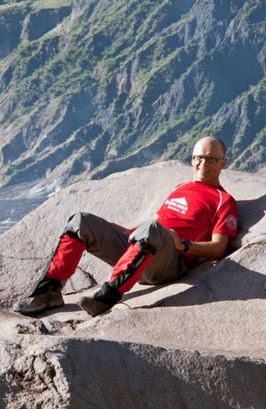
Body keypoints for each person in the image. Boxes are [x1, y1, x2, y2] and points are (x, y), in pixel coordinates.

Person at [13, 136, 238, 317]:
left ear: (223, 163)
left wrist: (184, 245)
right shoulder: (181, 187)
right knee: (80, 221)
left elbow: (219, 247)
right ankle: (49, 292)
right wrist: (126, 231)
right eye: (198, 157)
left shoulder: (223, 200)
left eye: (211, 159)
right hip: (142, 249)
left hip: (168, 263)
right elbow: (158, 220)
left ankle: (106, 297)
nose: (203, 164)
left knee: (151, 229)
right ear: (192, 159)